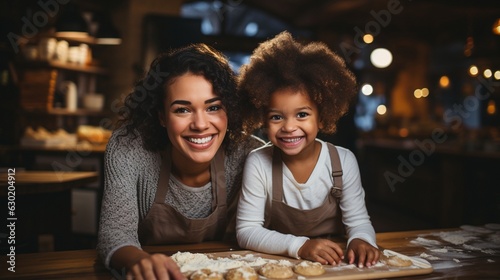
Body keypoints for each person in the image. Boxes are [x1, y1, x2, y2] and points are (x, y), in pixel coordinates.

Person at [97, 43, 265, 279]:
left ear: (230, 110)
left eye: (213, 107)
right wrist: (141, 262)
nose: (200, 124)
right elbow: (114, 235)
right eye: (182, 110)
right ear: (162, 117)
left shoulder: (251, 155)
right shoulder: (129, 149)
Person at [236, 31, 380, 268]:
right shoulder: (259, 162)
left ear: (322, 117)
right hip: (281, 263)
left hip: (335, 263)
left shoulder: (342, 161)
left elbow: (359, 221)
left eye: (302, 114)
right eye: (276, 117)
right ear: (263, 119)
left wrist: (362, 239)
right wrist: (300, 246)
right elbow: (246, 231)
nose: (289, 127)